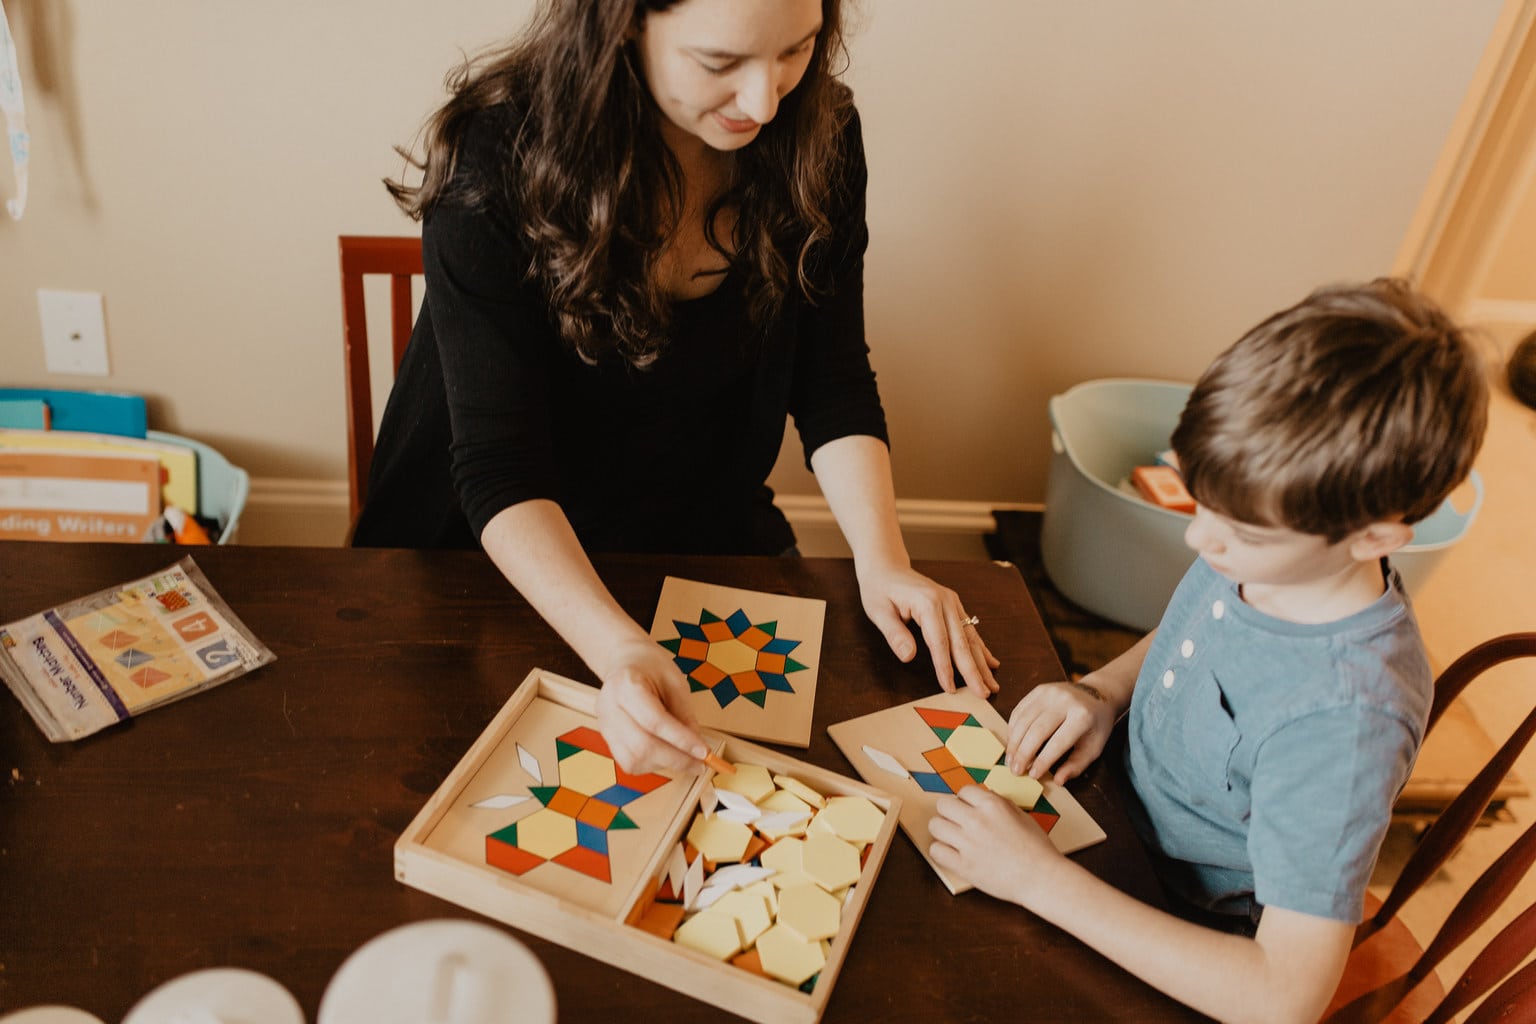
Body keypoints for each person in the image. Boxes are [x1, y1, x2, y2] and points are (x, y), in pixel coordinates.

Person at [351, 0, 999, 773]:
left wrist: (883, 557)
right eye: (721, 64)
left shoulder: (819, 135)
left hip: (691, 507)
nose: (765, 101)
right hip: (484, 546)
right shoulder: (494, 155)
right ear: (623, 23)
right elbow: (499, 466)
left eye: (797, 49)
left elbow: (831, 381)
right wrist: (619, 647)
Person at [928, 278, 1489, 1022]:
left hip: (1181, 934)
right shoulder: (1264, 553)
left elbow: (1281, 999)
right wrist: (1103, 692)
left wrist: (1038, 882)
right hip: (1111, 815)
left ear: (1377, 538)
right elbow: (1205, 628)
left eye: (1239, 533)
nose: (1198, 540)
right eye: (1201, 500)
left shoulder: (1343, 725)